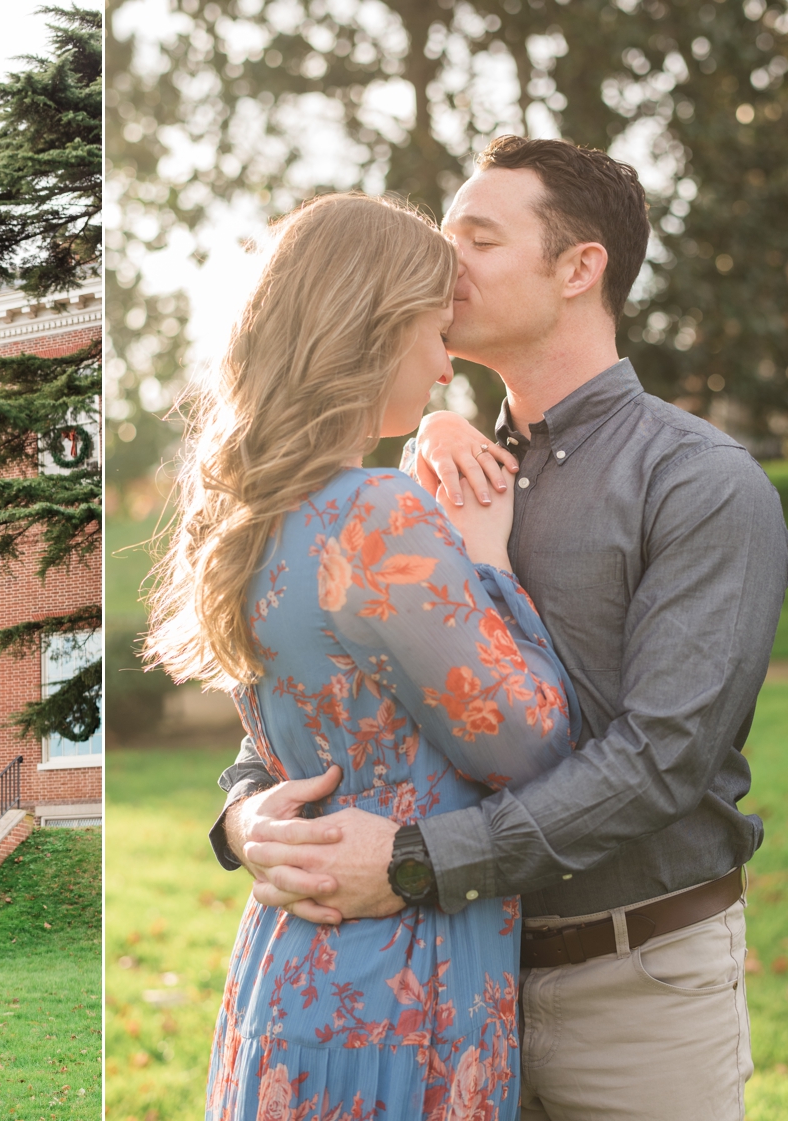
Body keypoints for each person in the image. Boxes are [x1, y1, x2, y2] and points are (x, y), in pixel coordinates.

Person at [214, 137, 788, 1120]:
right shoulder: (415, 483)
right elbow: (323, 701)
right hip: (441, 978)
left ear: (579, 268)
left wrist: (416, 860)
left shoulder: (696, 482)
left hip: (632, 980)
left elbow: (663, 758)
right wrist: (243, 813)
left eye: (478, 237)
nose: (448, 263)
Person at [146, 192, 582, 1120]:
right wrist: (492, 560)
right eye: (431, 331)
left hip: (289, 965)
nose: (442, 362)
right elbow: (532, 744)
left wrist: (238, 817)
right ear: (374, 331)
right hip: (400, 981)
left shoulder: (248, 517)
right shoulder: (374, 516)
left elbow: (280, 745)